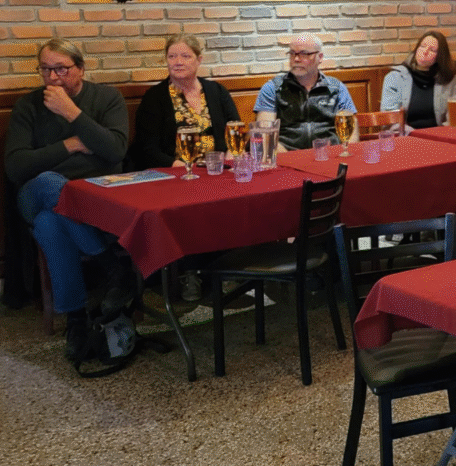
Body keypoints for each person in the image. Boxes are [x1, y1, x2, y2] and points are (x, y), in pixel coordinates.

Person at [4, 39, 131, 359]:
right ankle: (113, 265)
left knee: (51, 222)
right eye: (46, 69)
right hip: (35, 194)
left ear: (81, 69)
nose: (53, 77)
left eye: (61, 69)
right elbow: (16, 166)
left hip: (94, 196)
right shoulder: (28, 106)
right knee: (49, 182)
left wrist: (72, 114)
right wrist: (72, 145)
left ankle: (75, 320)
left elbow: (115, 151)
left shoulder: (107, 98)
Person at [131, 34, 240, 169]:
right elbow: (147, 149)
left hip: (218, 170)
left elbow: (235, 131)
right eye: (172, 57)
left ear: (199, 60)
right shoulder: (154, 97)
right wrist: (186, 169)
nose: (178, 62)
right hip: (176, 172)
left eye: (185, 56)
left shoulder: (217, 91)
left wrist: (230, 160)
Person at [253, 34, 357, 151]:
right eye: (292, 53)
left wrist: (346, 153)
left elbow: (351, 130)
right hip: (287, 155)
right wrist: (291, 158)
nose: (296, 59)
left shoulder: (336, 88)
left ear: (320, 57)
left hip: (330, 153)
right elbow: (266, 135)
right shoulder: (273, 88)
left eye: (304, 54)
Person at [381, 30, 456, 128]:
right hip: (406, 134)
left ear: (440, 57)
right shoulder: (394, 77)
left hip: (438, 135)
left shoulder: (451, 80)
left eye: (432, 50)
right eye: (422, 46)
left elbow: (453, 121)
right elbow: (390, 120)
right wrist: (412, 134)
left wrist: (439, 134)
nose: (425, 51)